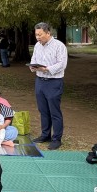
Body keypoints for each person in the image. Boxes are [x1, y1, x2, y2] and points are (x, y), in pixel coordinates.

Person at [29, 22, 68, 150]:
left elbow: (62, 64)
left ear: (48, 33)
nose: (38, 37)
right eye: (36, 35)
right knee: (43, 110)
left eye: (40, 35)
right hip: (39, 81)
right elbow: (34, 59)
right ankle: (45, 135)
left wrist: (47, 69)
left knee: (54, 111)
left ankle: (57, 138)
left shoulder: (59, 46)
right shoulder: (37, 46)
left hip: (53, 82)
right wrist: (32, 66)